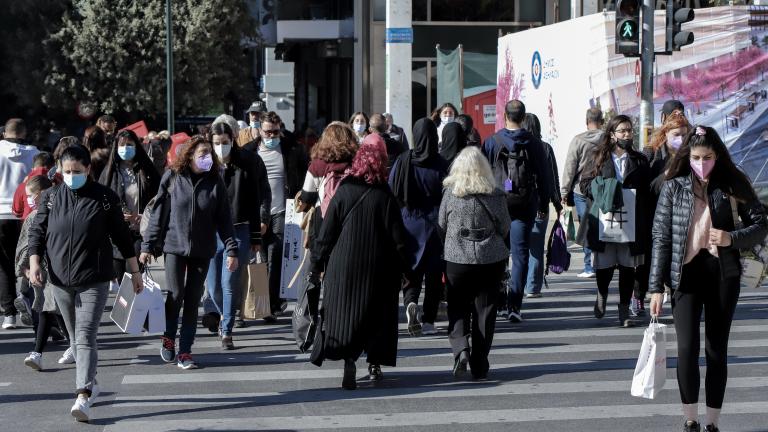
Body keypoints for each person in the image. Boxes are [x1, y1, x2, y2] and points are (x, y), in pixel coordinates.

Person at [649, 125, 768, 432]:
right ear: (688, 156)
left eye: (708, 157)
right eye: (696, 157)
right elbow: (661, 237)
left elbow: (761, 225)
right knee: (686, 349)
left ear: (718, 155)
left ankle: (712, 422)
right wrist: (655, 288)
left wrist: (731, 237)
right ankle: (690, 419)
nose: (702, 163)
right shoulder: (672, 186)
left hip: (721, 276)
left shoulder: (732, 183)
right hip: (684, 276)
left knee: (716, 350)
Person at [27, 145, 143, 422]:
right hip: (59, 280)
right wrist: (33, 263)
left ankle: (83, 394)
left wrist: (135, 271)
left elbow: (122, 237)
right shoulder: (52, 197)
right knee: (74, 338)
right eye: (66, 171)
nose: (71, 176)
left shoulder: (104, 198)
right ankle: (92, 381)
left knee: (86, 335)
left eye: (76, 171)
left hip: (95, 279)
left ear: (88, 169)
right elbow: (38, 231)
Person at [310, 134, 409, 390]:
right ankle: (374, 363)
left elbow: (327, 233)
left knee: (346, 314)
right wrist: (406, 267)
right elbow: (399, 239)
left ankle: (348, 359)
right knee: (377, 316)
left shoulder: (344, 190)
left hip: (343, 265)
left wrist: (317, 263)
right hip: (378, 267)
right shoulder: (385, 195)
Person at [140, 135, 239, 370]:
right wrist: (147, 246)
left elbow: (225, 219)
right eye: (201, 154)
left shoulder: (216, 182)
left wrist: (232, 249)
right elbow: (158, 214)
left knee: (193, 300)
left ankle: (185, 351)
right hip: (174, 247)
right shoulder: (173, 178)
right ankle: (168, 337)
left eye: (209, 154)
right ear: (190, 156)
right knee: (175, 294)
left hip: (203, 249)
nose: (206, 158)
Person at [438, 146, 510, 380]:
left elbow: (441, 225)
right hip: (490, 260)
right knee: (485, 312)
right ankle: (480, 363)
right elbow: (504, 226)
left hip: (457, 260)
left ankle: (461, 349)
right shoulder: (496, 193)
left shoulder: (451, 193)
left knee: (457, 306)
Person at [578, 115, 650, 328]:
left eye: (629, 130)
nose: (627, 135)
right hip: (604, 218)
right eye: (622, 131)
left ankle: (624, 310)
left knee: (628, 268)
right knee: (605, 266)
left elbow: (647, 191)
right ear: (612, 134)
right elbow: (584, 185)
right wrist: (605, 188)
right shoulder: (598, 156)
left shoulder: (639, 160)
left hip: (631, 220)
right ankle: (601, 293)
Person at [483, 100, 551, 323]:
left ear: (504, 115)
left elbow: (483, 174)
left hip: (496, 203)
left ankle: (499, 300)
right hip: (524, 204)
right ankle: (515, 305)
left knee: (497, 253)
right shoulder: (534, 143)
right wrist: (543, 204)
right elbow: (544, 175)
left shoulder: (492, 141)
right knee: (520, 254)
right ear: (523, 118)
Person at [203, 120, 267, 349]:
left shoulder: (248, 162)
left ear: (232, 141)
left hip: (238, 229)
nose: (221, 147)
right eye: (217, 143)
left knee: (229, 282)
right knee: (213, 288)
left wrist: (257, 236)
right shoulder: (204, 163)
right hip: (211, 231)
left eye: (225, 142)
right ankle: (224, 317)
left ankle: (227, 330)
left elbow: (256, 198)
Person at [389, 118, 449, 336]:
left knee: (411, 270)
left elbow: (392, 189)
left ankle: (411, 301)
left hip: (409, 222)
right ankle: (429, 320)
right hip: (435, 224)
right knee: (434, 275)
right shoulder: (441, 163)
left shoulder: (404, 160)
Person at [633, 111, 691, 315]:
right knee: (653, 260)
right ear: (665, 135)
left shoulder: (694, 156)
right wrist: (666, 176)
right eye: (676, 135)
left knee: (680, 262)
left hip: (685, 218)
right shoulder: (655, 158)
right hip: (658, 218)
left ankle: (681, 303)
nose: (681, 139)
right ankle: (640, 295)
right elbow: (647, 189)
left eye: (684, 134)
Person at [252, 111, 308, 321]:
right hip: (257, 210)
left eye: (276, 132)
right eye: (268, 132)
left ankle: (272, 303)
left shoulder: (292, 150)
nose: (272, 136)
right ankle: (262, 301)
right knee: (262, 258)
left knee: (275, 255)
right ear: (260, 130)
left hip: (284, 210)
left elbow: (303, 173)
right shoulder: (252, 151)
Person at [17, 175, 69, 370]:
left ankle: (41, 351)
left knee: (53, 309)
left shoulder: (57, 211)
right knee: (49, 309)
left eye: (32, 196)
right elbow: (27, 244)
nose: (30, 200)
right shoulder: (33, 216)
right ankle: (38, 352)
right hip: (43, 269)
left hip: (60, 268)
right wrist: (25, 266)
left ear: (41, 194)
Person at [98, 130, 160, 287]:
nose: (126, 148)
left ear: (137, 146)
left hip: (140, 232)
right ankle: (128, 310)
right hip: (116, 234)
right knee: (121, 278)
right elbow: (99, 200)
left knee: (133, 273)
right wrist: (116, 213)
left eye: (130, 145)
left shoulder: (147, 170)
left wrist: (145, 215)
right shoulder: (109, 172)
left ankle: (136, 309)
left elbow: (159, 199)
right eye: (122, 145)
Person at [1, 118, 39, 330]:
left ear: (4, 132)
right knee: (30, 262)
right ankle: (30, 302)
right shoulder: (33, 153)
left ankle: (9, 315)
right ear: (24, 132)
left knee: (4, 266)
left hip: (0, 214)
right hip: (27, 215)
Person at [522, 113, 563, 298]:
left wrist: (507, 194)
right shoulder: (545, 148)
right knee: (537, 248)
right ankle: (532, 287)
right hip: (540, 205)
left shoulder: (515, 146)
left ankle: (517, 284)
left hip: (517, 205)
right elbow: (551, 178)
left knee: (519, 247)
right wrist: (556, 201)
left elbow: (507, 178)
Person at [561, 107, 604, 279]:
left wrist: (564, 190)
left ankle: (589, 266)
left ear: (587, 122)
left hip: (581, 190)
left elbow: (570, 168)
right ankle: (603, 262)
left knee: (586, 227)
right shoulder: (608, 139)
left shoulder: (578, 140)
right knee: (603, 226)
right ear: (601, 121)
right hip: (603, 189)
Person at [12, 152, 54, 220]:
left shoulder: (24, 185)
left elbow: (17, 211)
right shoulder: (59, 183)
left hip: (28, 224)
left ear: (33, 168)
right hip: (52, 224)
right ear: (53, 167)